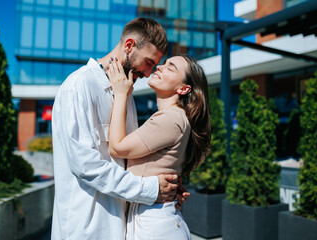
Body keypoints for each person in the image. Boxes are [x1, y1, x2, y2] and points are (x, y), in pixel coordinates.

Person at [51, 18, 187, 240]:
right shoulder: (77, 88)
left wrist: (168, 188)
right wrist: (151, 190)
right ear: (129, 46)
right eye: (149, 62)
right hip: (85, 229)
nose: (148, 72)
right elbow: (86, 165)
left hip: (121, 226)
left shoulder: (125, 93)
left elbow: (130, 160)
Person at [108, 55, 211, 239]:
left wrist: (121, 93)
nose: (160, 67)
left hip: (154, 223)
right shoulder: (175, 117)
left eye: (171, 68)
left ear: (184, 88)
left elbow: (116, 147)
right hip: (154, 217)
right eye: (164, 63)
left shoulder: (171, 118)